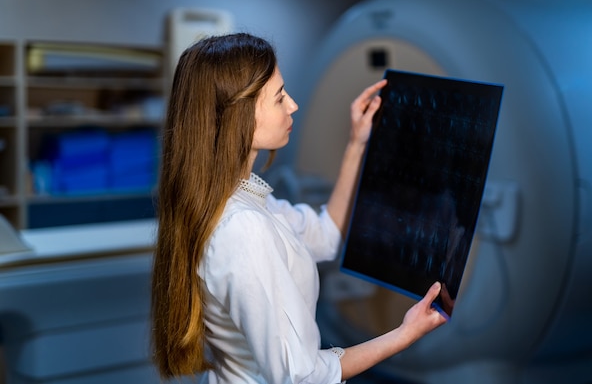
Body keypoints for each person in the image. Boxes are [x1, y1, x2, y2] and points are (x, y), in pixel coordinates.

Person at [151, 32, 447, 384]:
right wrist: (405, 333)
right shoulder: (243, 228)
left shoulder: (239, 200)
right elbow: (302, 376)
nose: (292, 105)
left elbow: (325, 236)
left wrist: (356, 144)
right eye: (278, 98)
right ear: (240, 114)